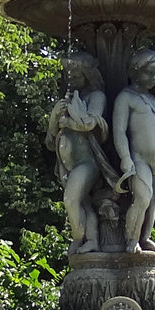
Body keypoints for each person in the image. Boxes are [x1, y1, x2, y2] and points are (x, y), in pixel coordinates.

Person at [112, 47, 155, 254]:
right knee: (143, 197)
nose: (153, 78)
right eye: (148, 72)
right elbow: (119, 131)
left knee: (154, 203)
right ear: (135, 71)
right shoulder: (126, 98)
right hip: (139, 158)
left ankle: (145, 238)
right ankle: (131, 240)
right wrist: (125, 157)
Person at [46, 52, 110, 253]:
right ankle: (91, 240)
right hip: (67, 165)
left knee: (70, 199)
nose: (71, 79)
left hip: (87, 162)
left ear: (88, 75)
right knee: (83, 202)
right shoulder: (67, 100)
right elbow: (50, 140)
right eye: (69, 75)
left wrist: (69, 121)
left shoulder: (96, 96)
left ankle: (78, 237)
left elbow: (92, 123)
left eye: (77, 75)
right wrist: (55, 116)